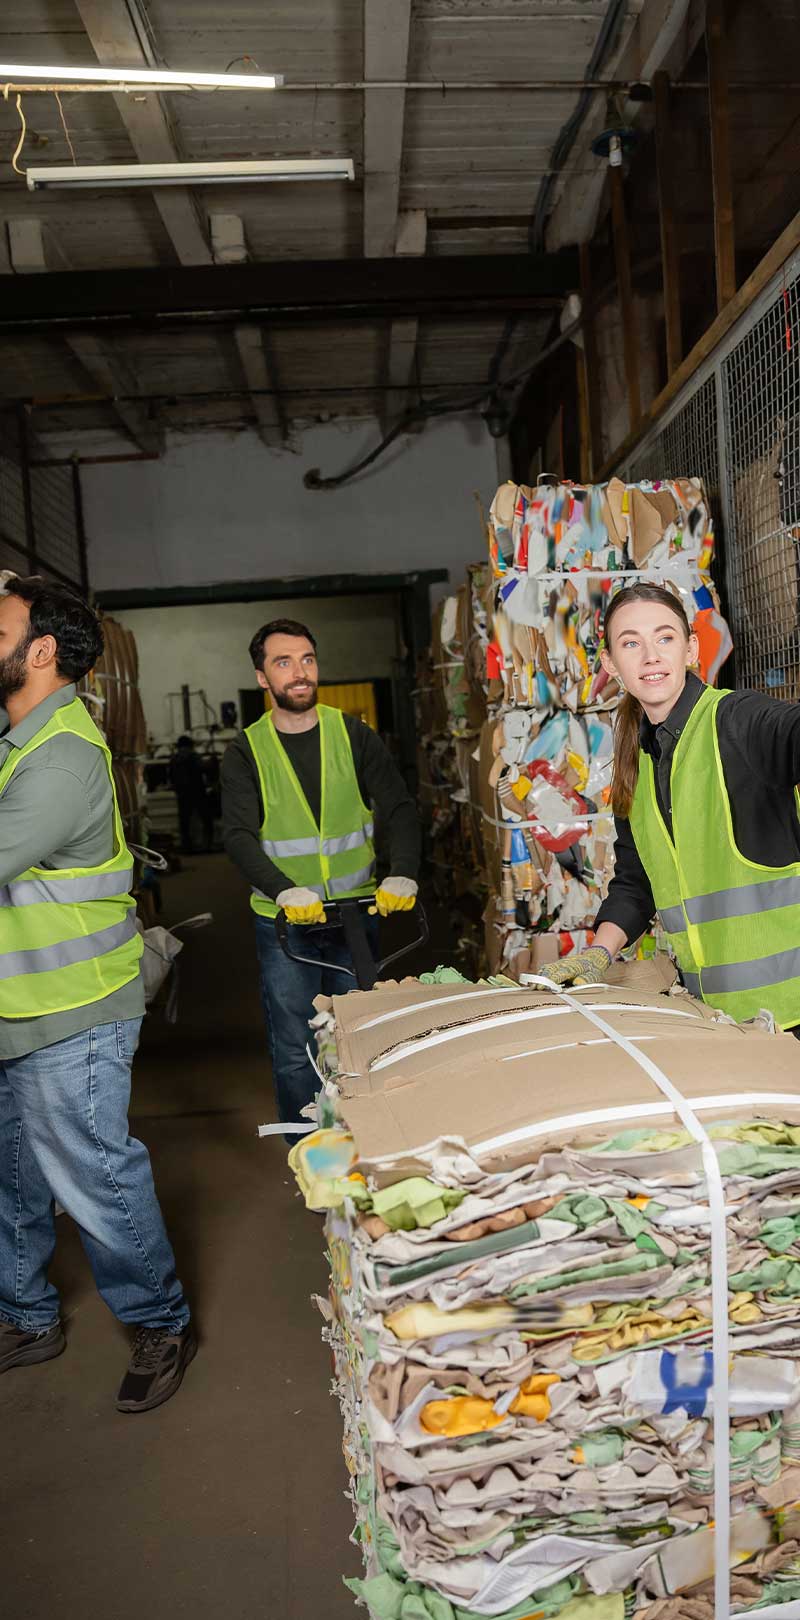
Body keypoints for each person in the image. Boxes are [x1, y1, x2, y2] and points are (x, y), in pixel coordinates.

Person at [0, 575, 196, 1409]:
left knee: (95, 1176)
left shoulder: (60, 763)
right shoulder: (20, 740)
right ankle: (27, 1314)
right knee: (11, 1176)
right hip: (21, 1006)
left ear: (39, 653)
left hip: (73, 1014)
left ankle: (160, 1322)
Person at [539, 581, 800, 1033]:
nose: (651, 656)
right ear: (610, 664)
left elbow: (790, 731)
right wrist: (599, 953)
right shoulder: (635, 761)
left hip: (791, 1016)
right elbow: (636, 881)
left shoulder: (738, 722)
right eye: (631, 643)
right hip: (718, 1022)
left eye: (665, 638)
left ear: (691, 650)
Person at [222, 617, 421, 1125]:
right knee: (296, 1043)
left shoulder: (352, 734)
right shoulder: (246, 751)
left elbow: (397, 805)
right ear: (263, 678)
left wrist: (403, 870)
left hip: (356, 912)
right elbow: (238, 836)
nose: (299, 672)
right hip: (285, 923)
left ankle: (368, 1135)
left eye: (307, 660)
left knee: (362, 1031)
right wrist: (282, 889)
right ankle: (309, 1147)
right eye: (283, 663)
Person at [171, 733, 214, 853]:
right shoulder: (193, 755)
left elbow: (171, 777)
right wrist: (212, 762)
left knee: (184, 821)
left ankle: (187, 846)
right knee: (205, 819)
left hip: (182, 793)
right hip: (197, 791)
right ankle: (207, 845)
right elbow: (203, 768)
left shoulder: (174, 758)